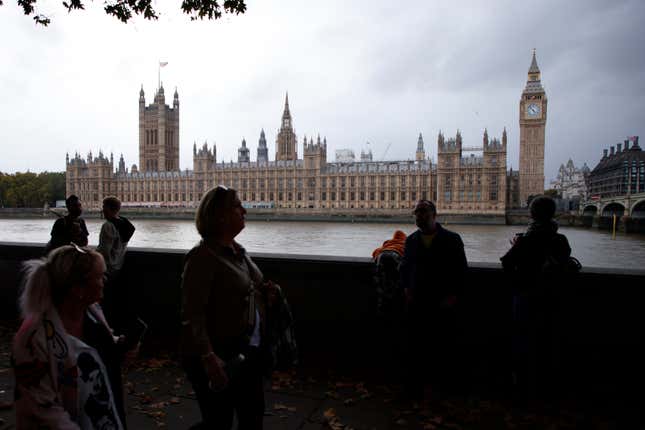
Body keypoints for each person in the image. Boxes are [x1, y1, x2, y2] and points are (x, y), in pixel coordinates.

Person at [180, 185, 276, 430]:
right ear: (220, 214)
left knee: (252, 417)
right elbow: (193, 314)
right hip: (222, 355)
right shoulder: (202, 257)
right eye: (237, 205)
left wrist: (267, 293)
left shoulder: (238, 252)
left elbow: (247, 290)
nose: (244, 209)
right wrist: (208, 358)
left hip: (249, 353)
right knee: (218, 421)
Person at [12, 244, 124, 429]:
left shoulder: (91, 311)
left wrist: (118, 347)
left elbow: (95, 354)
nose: (105, 280)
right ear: (78, 288)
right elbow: (43, 411)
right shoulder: (33, 339)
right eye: (100, 276)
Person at [501, 195, 572, 402]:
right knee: (548, 341)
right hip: (552, 298)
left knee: (523, 341)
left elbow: (507, 263)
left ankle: (522, 387)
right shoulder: (560, 239)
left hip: (526, 296)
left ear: (532, 214)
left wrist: (516, 244)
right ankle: (548, 387)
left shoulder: (527, 238)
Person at [399, 200, 468, 402]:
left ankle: (443, 387)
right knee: (416, 346)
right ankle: (416, 387)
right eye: (416, 212)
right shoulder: (411, 240)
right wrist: (406, 289)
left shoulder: (452, 239)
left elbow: (461, 271)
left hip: (441, 302)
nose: (419, 216)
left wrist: (454, 296)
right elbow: (404, 267)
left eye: (423, 212)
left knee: (443, 346)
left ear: (434, 215)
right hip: (417, 301)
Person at [372, 230, 407, 319]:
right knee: (396, 284)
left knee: (382, 285)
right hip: (395, 256)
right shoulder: (405, 243)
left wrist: (376, 256)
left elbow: (376, 251)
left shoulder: (389, 243)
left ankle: (383, 310)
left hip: (383, 255)